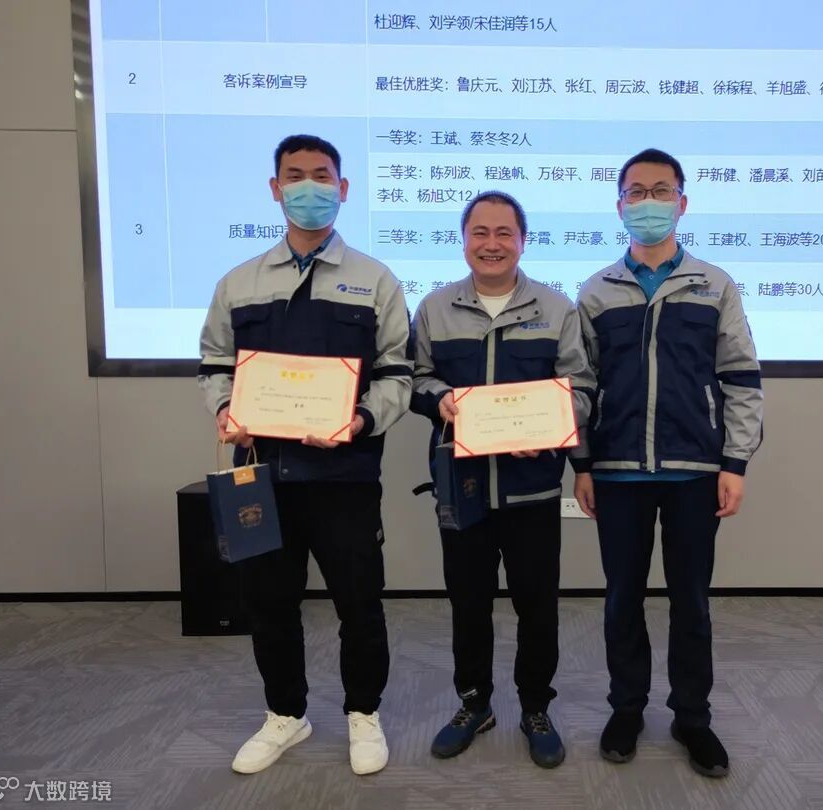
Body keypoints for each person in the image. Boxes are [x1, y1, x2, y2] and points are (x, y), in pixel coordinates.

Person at [197, 134, 412, 776]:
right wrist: (225, 410)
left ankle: (363, 713)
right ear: (275, 188)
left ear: (343, 189)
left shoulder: (375, 280)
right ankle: (285, 714)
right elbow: (214, 363)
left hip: (344, 475)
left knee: (359, 603)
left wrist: (361, 418)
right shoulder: (238, 283)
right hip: (261, 477)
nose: (309, 187)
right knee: (268, 604)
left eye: (322, 176)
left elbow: (397, 373)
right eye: (296, 176)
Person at [574, 148, 764, 777]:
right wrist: (581, 463)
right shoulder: (596, 291)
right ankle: (626, 709)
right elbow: (581, 384)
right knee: (621, 599)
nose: (647, 202)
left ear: (682, 203)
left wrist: (735, 462)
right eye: (636, 191)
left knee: (692, 602)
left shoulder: (715, 285)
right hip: (617, 473)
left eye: (660, 191)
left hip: (695, 473)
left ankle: (692, 718)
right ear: (619, 205)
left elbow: (741, 378)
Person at [410, 191, 595, 768]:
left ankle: (536, 707)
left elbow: (582, 389)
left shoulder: (557, 309)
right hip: (462, 490)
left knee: (537, 607)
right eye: (480, 233)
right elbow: (416, 378)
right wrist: (440, 399)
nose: (492, 244)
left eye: (504, 233)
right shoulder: (434, 308)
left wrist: (554, 424)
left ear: (523, 241)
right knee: (468, 604)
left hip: (531, 489)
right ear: (464, 240)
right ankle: (475, 704)